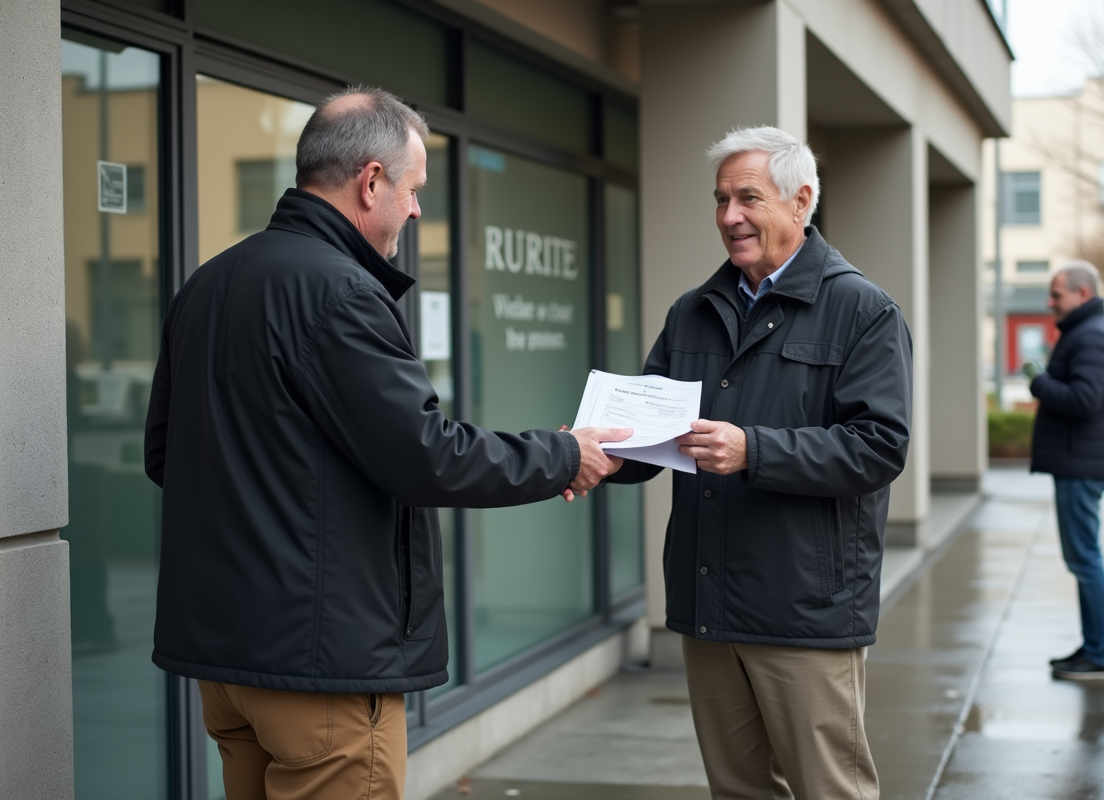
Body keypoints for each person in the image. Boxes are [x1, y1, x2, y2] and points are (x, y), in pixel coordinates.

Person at [144, 86, 628, 800]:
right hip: (321, 671)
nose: (416, 209)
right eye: (413, 189)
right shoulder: (340, 292)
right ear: (371, 181)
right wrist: (566, 455)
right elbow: (427, 455)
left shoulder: (206, 285)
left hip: (228, 667)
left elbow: (166, 455)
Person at [608, 126, 912, 800]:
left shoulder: (863, 311)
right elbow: (653, 432)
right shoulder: (692, 312)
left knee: (829, 790)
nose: (729, 217)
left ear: (801, 201)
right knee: (738, 791)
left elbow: (878, 447)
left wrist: (754, 450)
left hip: (803, 610)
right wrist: (589, 452)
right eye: (720, 200)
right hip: (708, 602)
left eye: (748, 198)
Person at [1025, 261, 1104, 680]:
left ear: (1083, 294)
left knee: (1084, 559)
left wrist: (1038, 380)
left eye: (1056, 294)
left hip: (1081, 463)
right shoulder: (1087, 331)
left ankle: (1102, 655)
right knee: (1083, 558)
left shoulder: (1091, 336)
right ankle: (1096, 647)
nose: (1050, 303)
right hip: (1080, 461)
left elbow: (1084, 399)